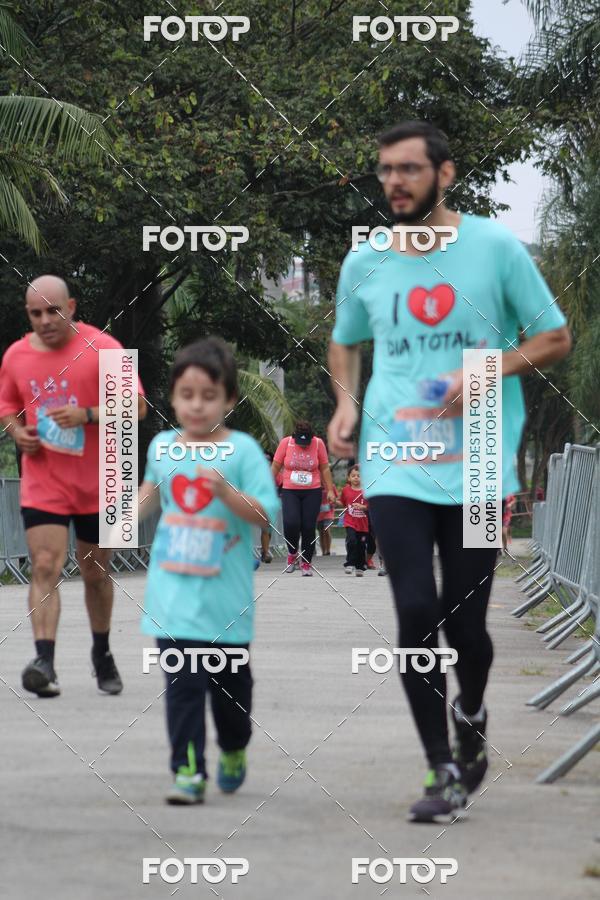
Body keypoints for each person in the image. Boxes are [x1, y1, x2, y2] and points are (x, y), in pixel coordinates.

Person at [327, 120, 571, 822]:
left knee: (466, 624)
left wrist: (488, 370)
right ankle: (442, 767)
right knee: (413, 610)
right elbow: (345, 342)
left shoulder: (495, 248)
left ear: (445, 173)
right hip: (395, 460)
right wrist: (345, 404)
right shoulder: (365, 260)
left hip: (480, 459)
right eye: (385, 171)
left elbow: (553, 337)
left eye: (408, 169)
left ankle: (473, 712)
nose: (394, 182)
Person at [136, 337, 279, 804]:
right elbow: (150, 492)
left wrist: (226, 493)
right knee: (183, 686)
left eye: (208, 396)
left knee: (231, 692)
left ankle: (234, 747)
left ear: (229, 399)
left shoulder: (243, 452)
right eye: (187, 395)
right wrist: (119, 520)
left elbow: (264, 515)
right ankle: (188, 771)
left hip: (226, 602)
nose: (196, 405)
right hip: (172, 596)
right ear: (174, 399)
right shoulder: (162, 447)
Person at [0, 275, 146, 698]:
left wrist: (87, 414)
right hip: (44, 480)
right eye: (36, 313)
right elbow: (8, 407)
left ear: (72, 307)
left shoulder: (104, 347)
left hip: (102, 479)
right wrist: (17, 433)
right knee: (45, 565)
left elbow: (137, 407)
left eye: (53, 311)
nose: (45, 320)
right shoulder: (16, 356)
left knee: (95, 572)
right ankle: (44, 661)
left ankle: (102, 652)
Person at [272, 420, 336, 576]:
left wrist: (330, 490)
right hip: (290, 490)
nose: (304, 446)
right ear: (294, 436)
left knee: (308, 526)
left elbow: (324, 468)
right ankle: (292, 553)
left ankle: (306, 562)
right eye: (300, 442)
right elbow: (276, 466)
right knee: (291, 523)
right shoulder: (286, 443)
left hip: (312, 491)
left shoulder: (318, 443)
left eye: (306, 442)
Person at [340, 465, 369, 576]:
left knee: (361, 545)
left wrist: (363, 507)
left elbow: (371, 505)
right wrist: (333, 501)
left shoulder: (366, 491)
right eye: (353, 476)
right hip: (350, 521)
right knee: (351, 541)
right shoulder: (345, 490)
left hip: (363, 524)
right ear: (349, 478)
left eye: (359, 476)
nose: (356, 478)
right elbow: (343, 503)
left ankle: (360, 566)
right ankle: (350, 563)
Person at [317, 480, 338, 555]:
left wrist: (332, 503)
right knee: (321, 532)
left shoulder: (331, 485)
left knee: (326, 529)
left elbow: (335, 498)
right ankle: (323, 552)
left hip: (328, 512)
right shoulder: (315, 485)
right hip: (318, 513)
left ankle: (328, 551)